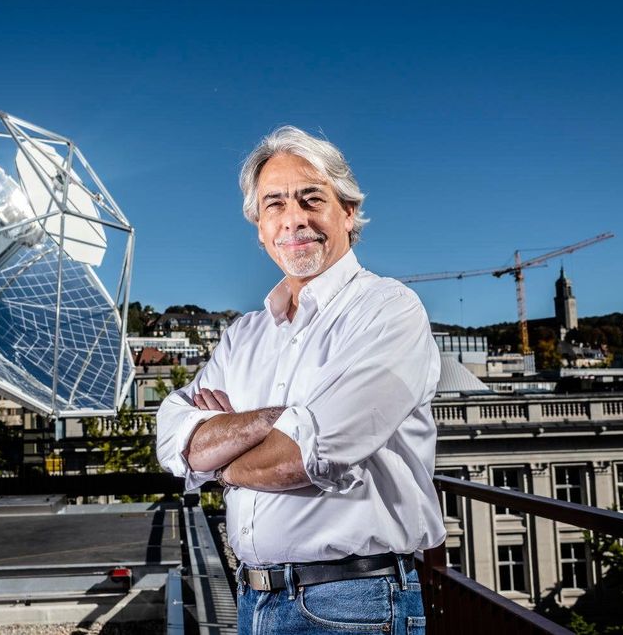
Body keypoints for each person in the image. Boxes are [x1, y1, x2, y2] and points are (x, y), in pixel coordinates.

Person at [155, 126, 446, 634]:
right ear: (260, 227)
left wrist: (220, 461)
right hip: (253, 597)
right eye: (274, 205)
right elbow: (173, 439)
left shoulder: (387, 311)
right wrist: (278, 421)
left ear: (349, 212)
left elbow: (311, 452)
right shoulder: (245, 334)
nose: (294, 219)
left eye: (312, 199)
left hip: (352, 604)